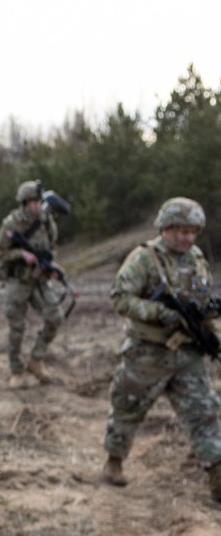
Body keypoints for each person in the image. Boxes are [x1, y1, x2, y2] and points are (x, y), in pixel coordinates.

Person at [102, 197, 221, 501]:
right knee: (127, 408)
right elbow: (119, 298)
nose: (188, 238)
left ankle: (217, 475)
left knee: (204, 413)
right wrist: (157, 312)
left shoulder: (195, 258)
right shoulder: (144, 258)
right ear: (166, 228)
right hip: (148, 353)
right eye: (182, 231)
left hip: (187, 354)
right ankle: (114, 462)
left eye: (193, 232)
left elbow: (203, 299)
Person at [0, 180, 65, 387]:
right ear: (23, 203)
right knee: (17, 327)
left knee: (55, 317)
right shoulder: (12, 223)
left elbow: (51, 246)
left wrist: (51, 266)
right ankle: (16, 371)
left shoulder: (47, 221)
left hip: (40, 280)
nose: (37, 206)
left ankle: (36, 360)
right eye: (32, 202)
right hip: (18, 281)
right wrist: (21, 254)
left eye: (39, 201)